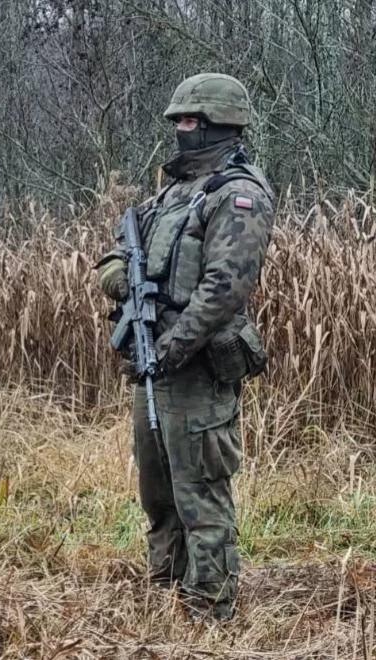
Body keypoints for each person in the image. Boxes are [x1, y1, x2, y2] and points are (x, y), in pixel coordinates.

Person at [95, 74, 275, 621]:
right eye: (177, 120)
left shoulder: (238, 195)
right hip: (156, 361)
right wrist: (119, 275)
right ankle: (164, 593)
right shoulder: (170, 194)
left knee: (201, 493)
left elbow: (224, 287)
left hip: (195, 366)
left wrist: (171, 347)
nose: (180, 129)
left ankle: (208, 610)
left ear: (219, 123)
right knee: (158, 491)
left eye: (190, 120)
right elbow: (115, 254)